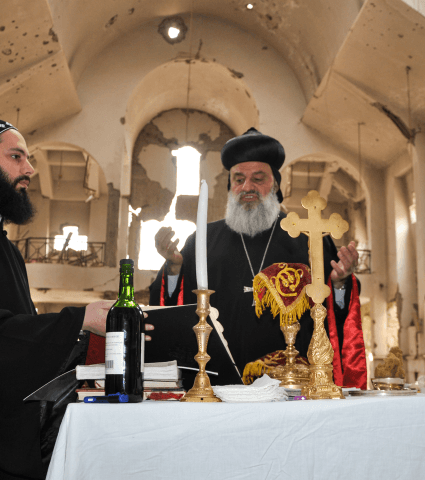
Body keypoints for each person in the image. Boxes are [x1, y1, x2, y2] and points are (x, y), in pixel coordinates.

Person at [0, 118, 152, 480]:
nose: (30, 169)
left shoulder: (4, 245)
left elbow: (18, 340)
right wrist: (76, 319)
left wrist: (90, 342)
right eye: (16, 157)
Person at [149, 128, 367, 388]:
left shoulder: (308, 236)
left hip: (292, 384)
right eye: (238, 179)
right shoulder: (203, 239)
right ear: (230, 185)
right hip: (218, 384)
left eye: (258, 178)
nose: (247, 187)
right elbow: (175, 312)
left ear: (275, 184)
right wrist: (174, 270)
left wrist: (340, 283)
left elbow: (332, 313)